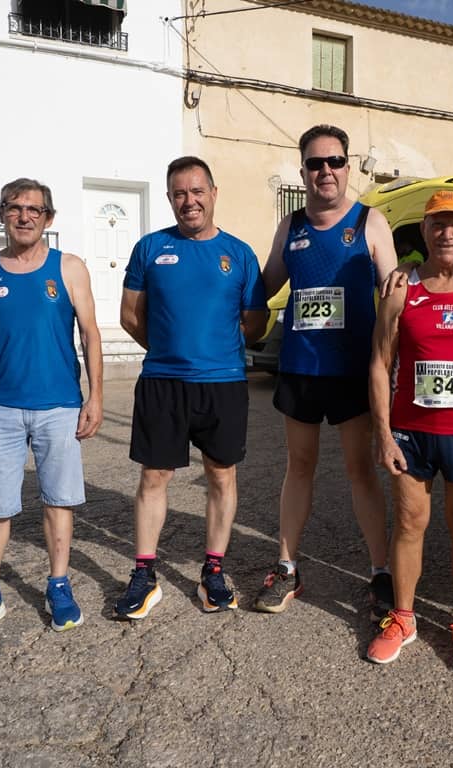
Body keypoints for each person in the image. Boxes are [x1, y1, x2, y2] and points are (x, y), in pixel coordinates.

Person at [251, 124, 398, 617]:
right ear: (303, 172)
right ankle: (287, 567)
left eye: (334, 161)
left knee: (360, 470)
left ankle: (380, 572)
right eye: (316, 163)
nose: (326, 171)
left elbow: (394, 300)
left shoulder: (370, 222)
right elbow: (264, 287)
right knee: (299, 466)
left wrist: (394, 360)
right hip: (301, 368)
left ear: (347, 167)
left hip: (353, 370)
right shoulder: (291, 226)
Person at [114, 156, 268, 619]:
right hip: (162, 382)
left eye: (197, 191)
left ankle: (213, 571)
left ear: (213, 194)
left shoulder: (239, 254)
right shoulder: (150, 248)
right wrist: (169, 348)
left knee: (222, 475)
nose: (189, 201)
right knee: (154, 477)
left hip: (223, 385)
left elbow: (255, 322)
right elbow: (130, 315)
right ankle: (144, 574)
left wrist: (216, 349)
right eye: (180, 193)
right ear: (169, 199)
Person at [0, 177, 104, 641]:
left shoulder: (70, 268)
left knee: (58, 500)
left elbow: (91, 334)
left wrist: (96, 397)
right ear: (2, 214)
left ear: (48, 218)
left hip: (59, 407)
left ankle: (58, 586)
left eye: (33, 209)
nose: (23, 216)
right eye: (14, 208)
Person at [365, 191, 453, 673]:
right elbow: (379, 364)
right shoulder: (401, 289)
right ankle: (403, 617)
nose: (447, 233)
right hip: (411, 430)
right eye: (438, 224)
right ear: (423, 230)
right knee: (409, 522)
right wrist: (383, 434)